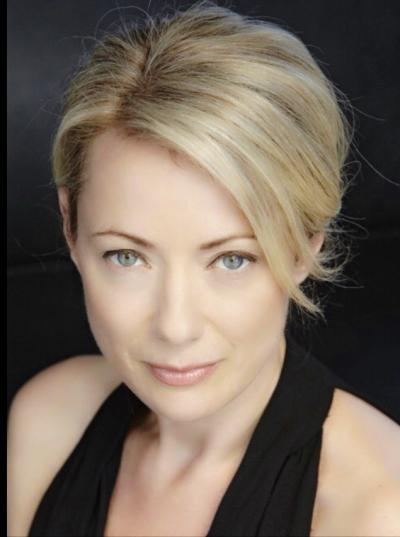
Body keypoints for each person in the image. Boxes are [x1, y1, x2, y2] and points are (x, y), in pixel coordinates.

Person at [7, 1, 400, 536]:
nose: (176, 327)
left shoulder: (376, 511)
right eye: (127, 256)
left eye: (232, 259)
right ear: (69, 228)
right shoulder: (50, 423)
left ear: (305, 247)